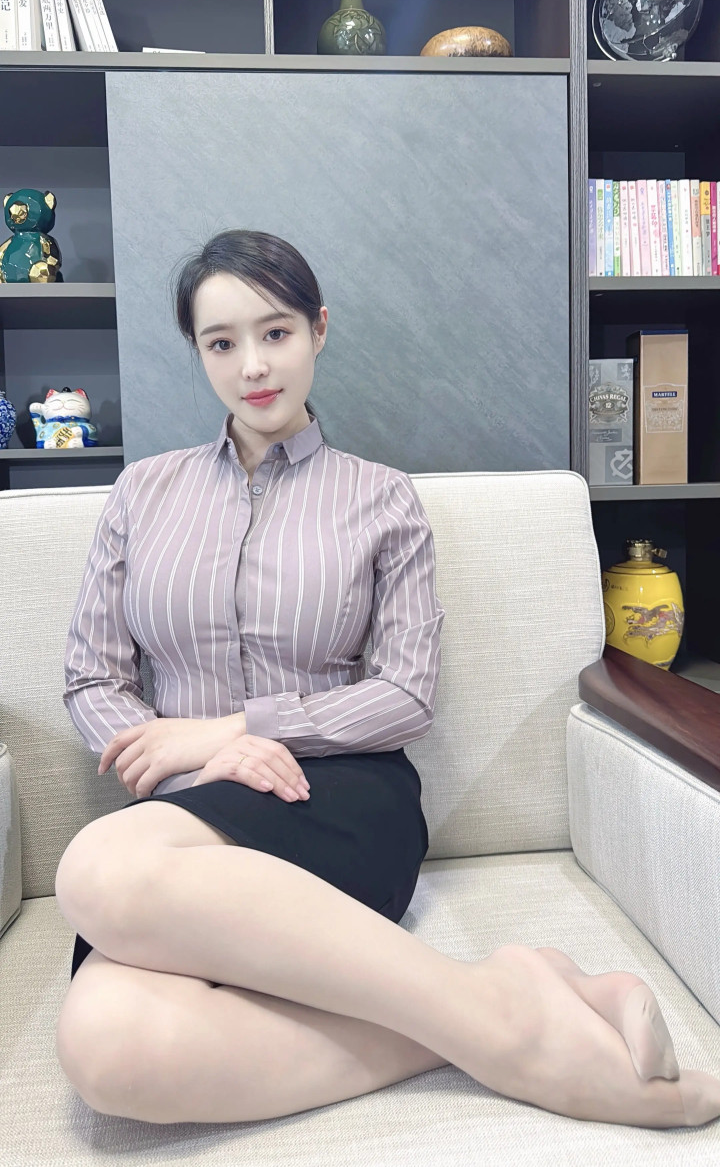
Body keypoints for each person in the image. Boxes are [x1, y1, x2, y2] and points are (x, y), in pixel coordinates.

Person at [53, 230, 720, 1130]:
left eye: (276, 332)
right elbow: (91, 679)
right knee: (107, 1053)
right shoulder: (142, 493)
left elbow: (406, 695)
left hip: (338, 798)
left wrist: (237, 731)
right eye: (221, 342)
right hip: (182, 821)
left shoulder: (381, 498)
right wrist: (195, 763)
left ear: (319, 330)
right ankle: (498, 1008)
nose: (253, 365)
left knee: (98, 866)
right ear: (197, 351)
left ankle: (521, 1041)